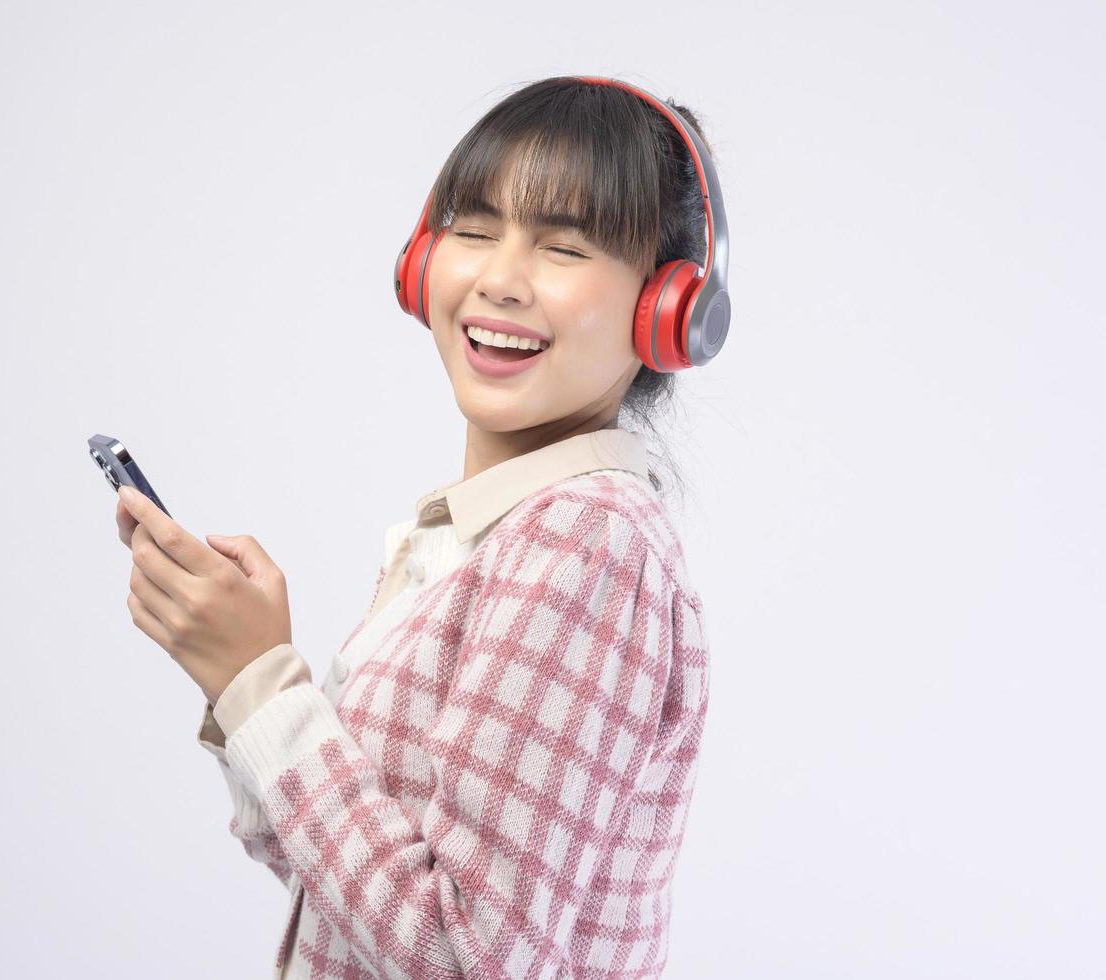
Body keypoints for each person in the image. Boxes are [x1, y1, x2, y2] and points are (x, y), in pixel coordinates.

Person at [126, 73, 721, 978]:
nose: (498, 279)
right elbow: (323, 873)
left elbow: (461, 957)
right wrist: (236, 673)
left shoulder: (584, 547)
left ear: (666, 307)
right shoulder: (489, 539)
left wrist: (262, 683)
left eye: (563, 249)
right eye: (473, 232)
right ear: (421, 262)